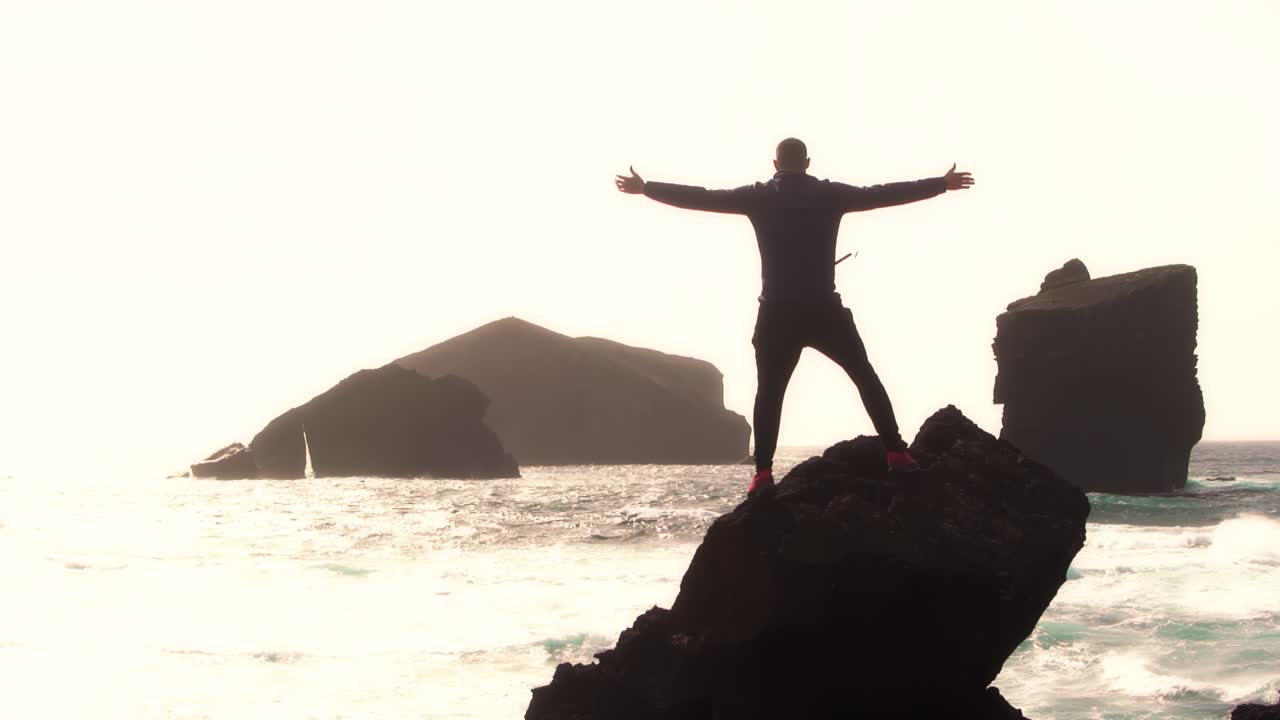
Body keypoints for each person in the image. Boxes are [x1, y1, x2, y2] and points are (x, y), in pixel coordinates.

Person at [614, 138, 974, 497]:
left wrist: (647, 188)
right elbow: (883, 194)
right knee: (865, 377)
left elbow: (703, 197)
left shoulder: (758, 196)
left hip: (777, 313)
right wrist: (941, 184)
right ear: (808, 162)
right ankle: (896, 453)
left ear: (775, 164)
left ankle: (763, 473)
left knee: (770, 394)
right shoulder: (830, 194)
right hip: (823, 310)